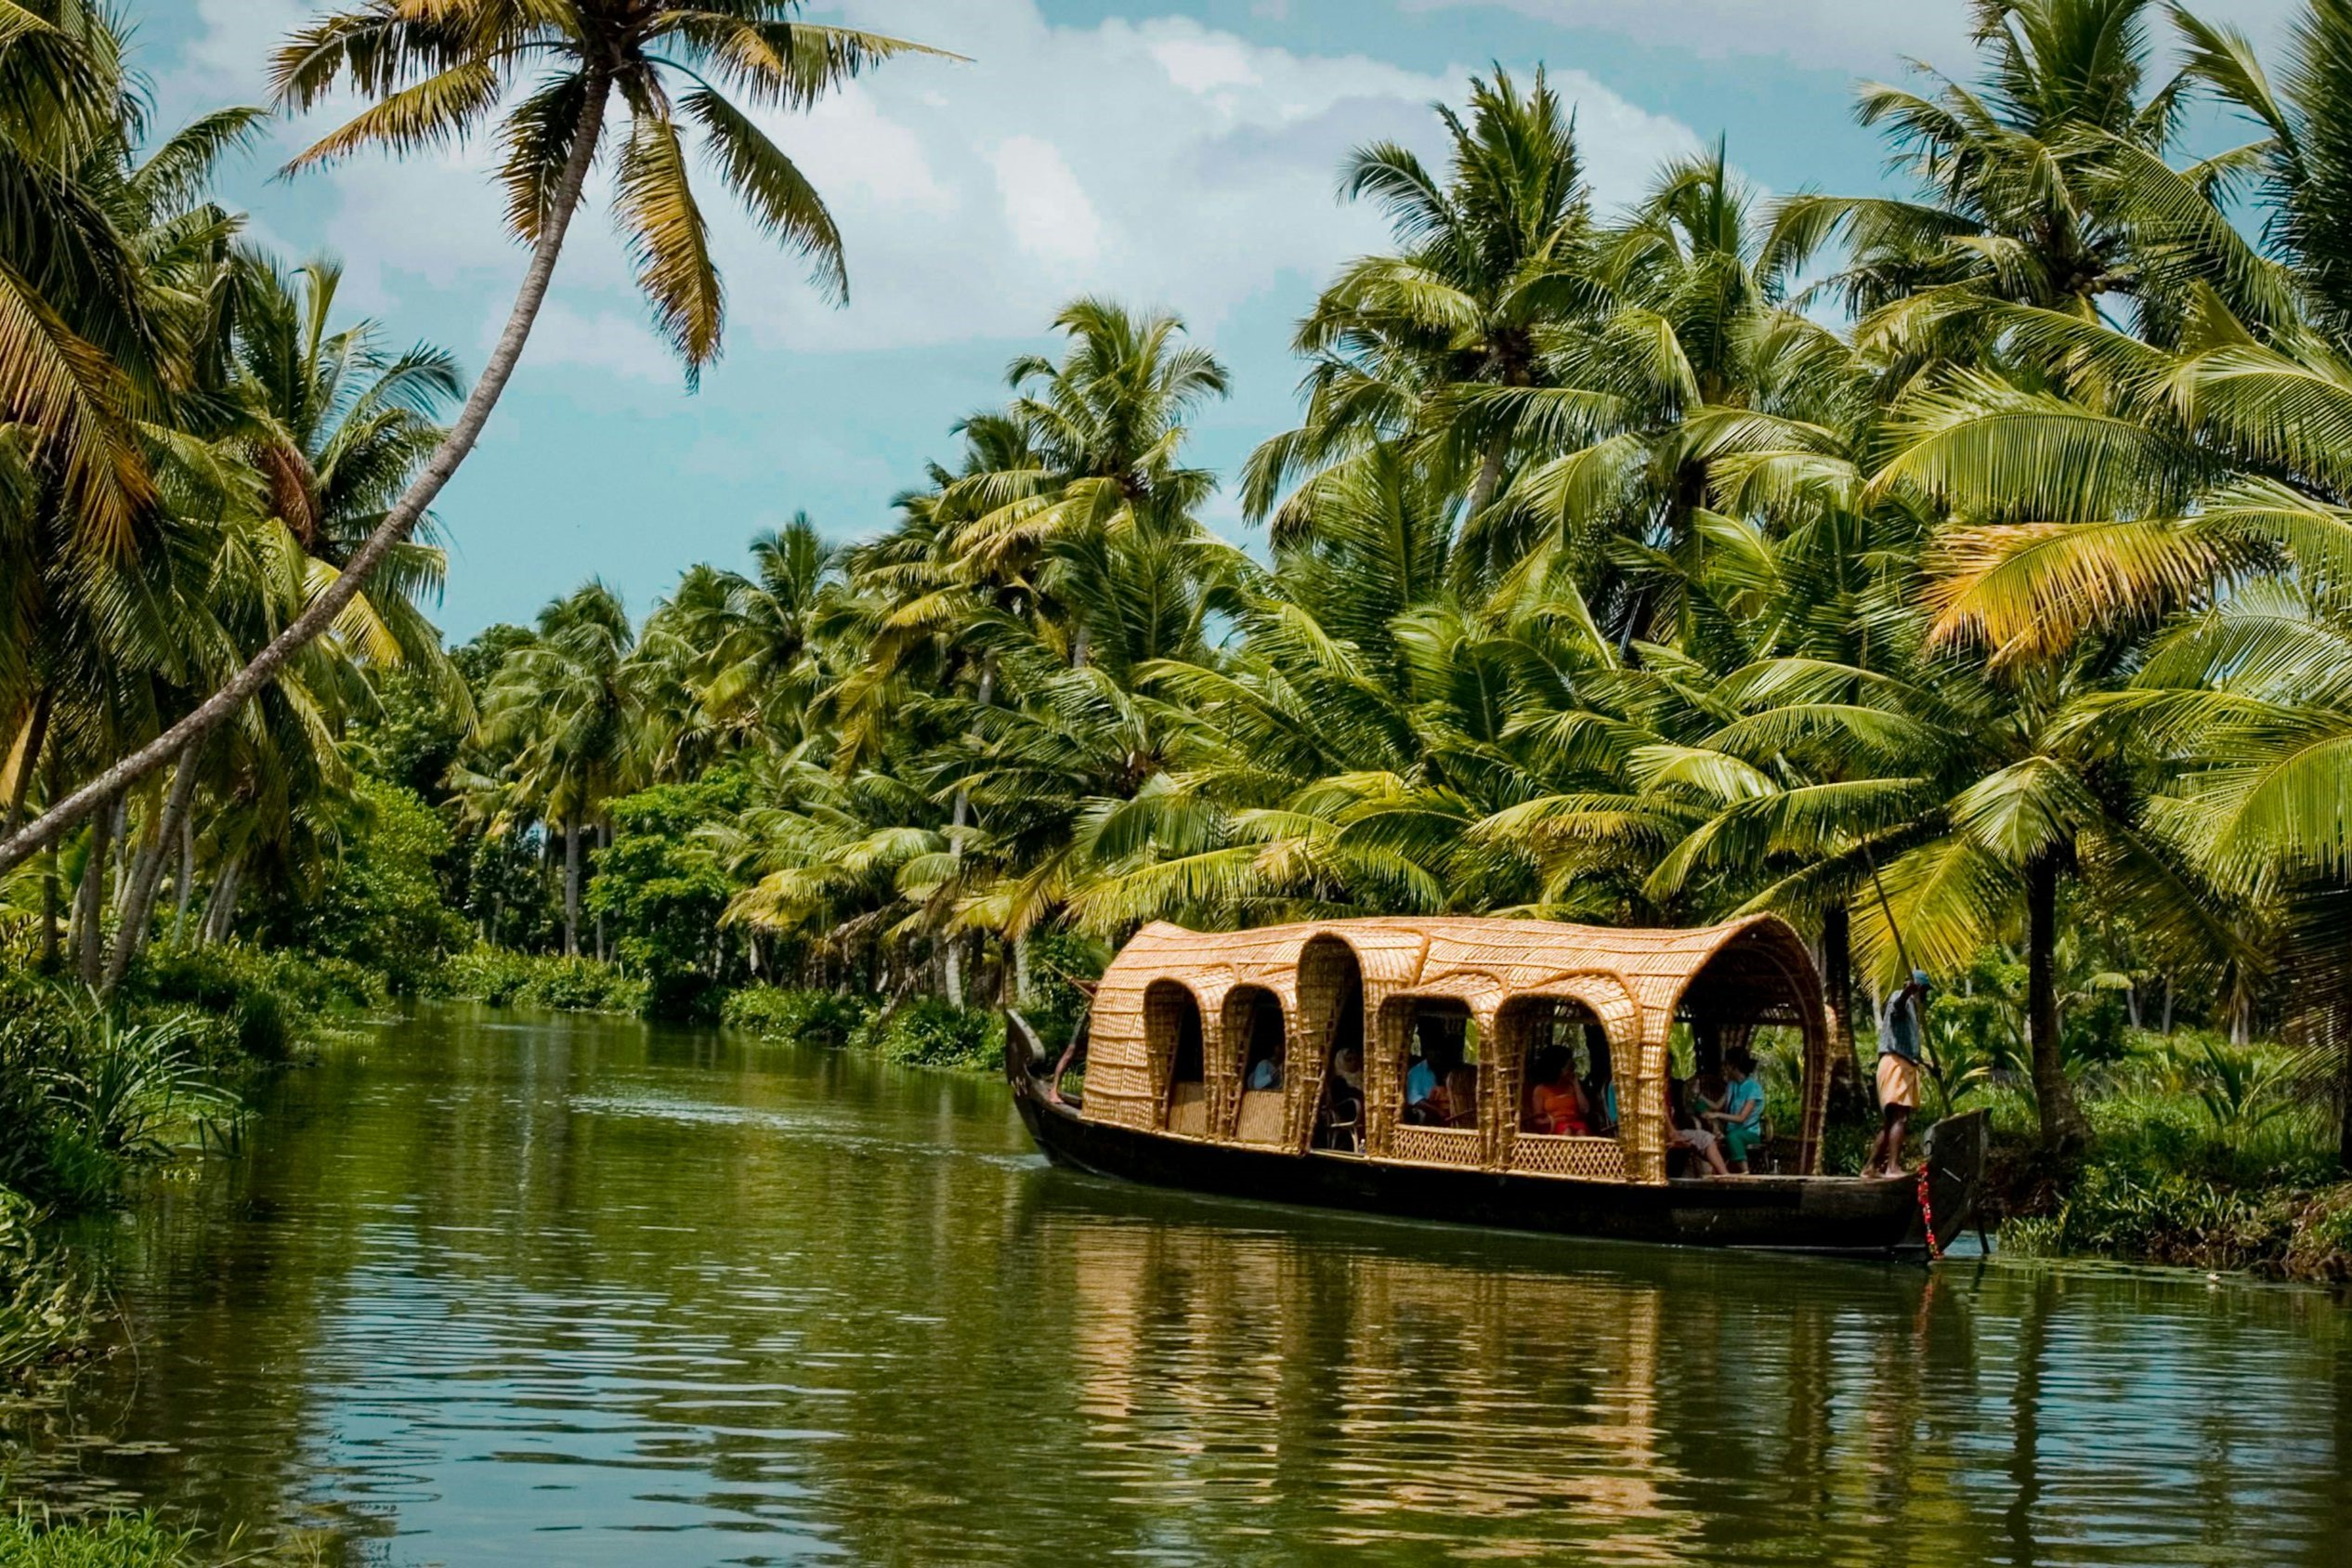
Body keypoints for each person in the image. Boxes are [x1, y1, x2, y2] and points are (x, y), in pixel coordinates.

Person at [1870, 969, 1930, 1176]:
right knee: (1900, 1118)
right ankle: (1892, 1167)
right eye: (1925, 992)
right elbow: (1897, 1007)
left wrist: (1930, 1066)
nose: (1926, 997)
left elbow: (1911, 1046)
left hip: (1903, 1064)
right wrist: (1906, 992)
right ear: (1919, 989)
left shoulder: (1914, 1012)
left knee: (1892, 1120)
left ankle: (1870, 1167)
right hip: (1895, 1063)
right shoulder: (1901, 997)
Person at [1712, 1046, 1767, 1172]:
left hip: (1750, 1133)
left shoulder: (1753, 1087)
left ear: (1733, 1066)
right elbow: (1716, 1106)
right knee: (1714, 1140)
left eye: (1726, 1064)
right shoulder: (1731, 1085)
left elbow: (1741, 1118)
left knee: (1733, 1137)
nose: (1724, 1068)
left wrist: (1718, 1115)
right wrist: (1699, 1096)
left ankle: (1744, 1172)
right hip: (1730, 1131)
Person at [1667, 1076, 1730, 1177]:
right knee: (1705, 1137)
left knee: (1707, 1138)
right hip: (1669, 1132)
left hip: (1711, 1122)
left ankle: (1725, 1175)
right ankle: (1724, 1175)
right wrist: (1672, 1132)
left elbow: (1717, 1107)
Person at [1527, 1045, 1590, 1135]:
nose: (1572, 1069)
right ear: (1559, 1068)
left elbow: (1585, 1110)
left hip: (1575, 1125)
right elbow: (1537, 1120)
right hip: (1553, 1128)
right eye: (1569, 1066)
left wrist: (1576, 1083)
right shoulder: (1540, 1090)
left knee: (1581, 1131)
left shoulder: (1571, 1086)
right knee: (1567, 1131)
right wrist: (1555, 1120)